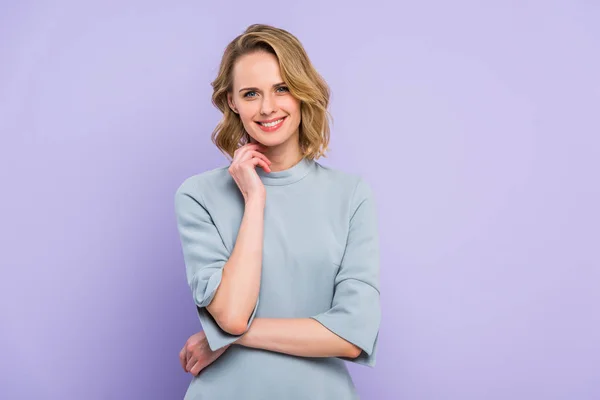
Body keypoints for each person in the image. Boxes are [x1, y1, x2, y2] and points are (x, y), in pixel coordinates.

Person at [174, 23, 381, 399]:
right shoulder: (199, 195)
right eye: (251, 93)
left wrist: (225, 340)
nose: (268, 107)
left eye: (281, 88)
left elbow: (352, 335)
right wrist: (254, 200)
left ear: (303, 91)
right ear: (233, 102)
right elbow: (233, 315)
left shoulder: (350, 195)